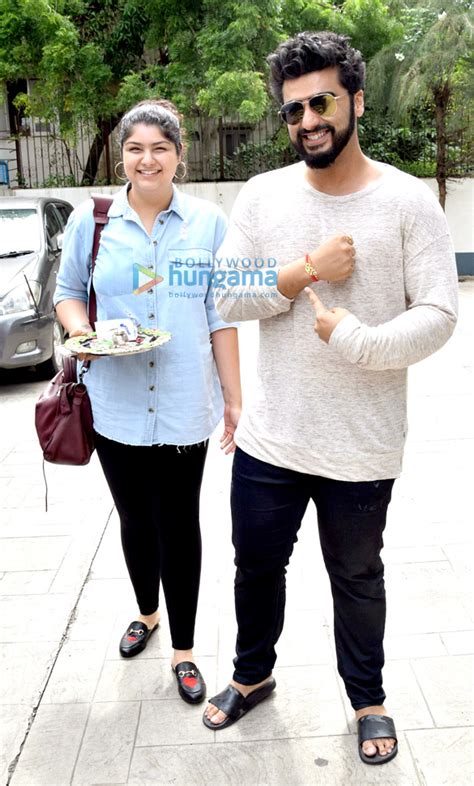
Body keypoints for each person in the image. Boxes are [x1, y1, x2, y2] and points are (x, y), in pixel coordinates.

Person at [203, 32, 458, 764]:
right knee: (255, 569)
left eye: (321, 102)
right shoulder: (263, 195)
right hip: (272, 437)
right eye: (293, 110)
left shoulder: (409, 202)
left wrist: (355, 339)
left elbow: (440, 314)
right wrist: (303, 271)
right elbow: (225, 295)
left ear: (356, 100)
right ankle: (252, 678)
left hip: (361, 442)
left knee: (357, 577)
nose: (308, 119)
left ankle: (368, 699)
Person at [54, 99, 241, 705]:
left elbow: (220, 314)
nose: (147, 158)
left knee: (179, 522)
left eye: (160, 147)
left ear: (179, 156)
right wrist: (83, 334)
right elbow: (65, 292)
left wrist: (235, 399)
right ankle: (147, 613)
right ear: (122, 157)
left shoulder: (209, 223)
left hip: (186, 400)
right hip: (115, 402)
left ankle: (184, 651)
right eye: (135, 148)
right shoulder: (94, 221)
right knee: (135, 518)